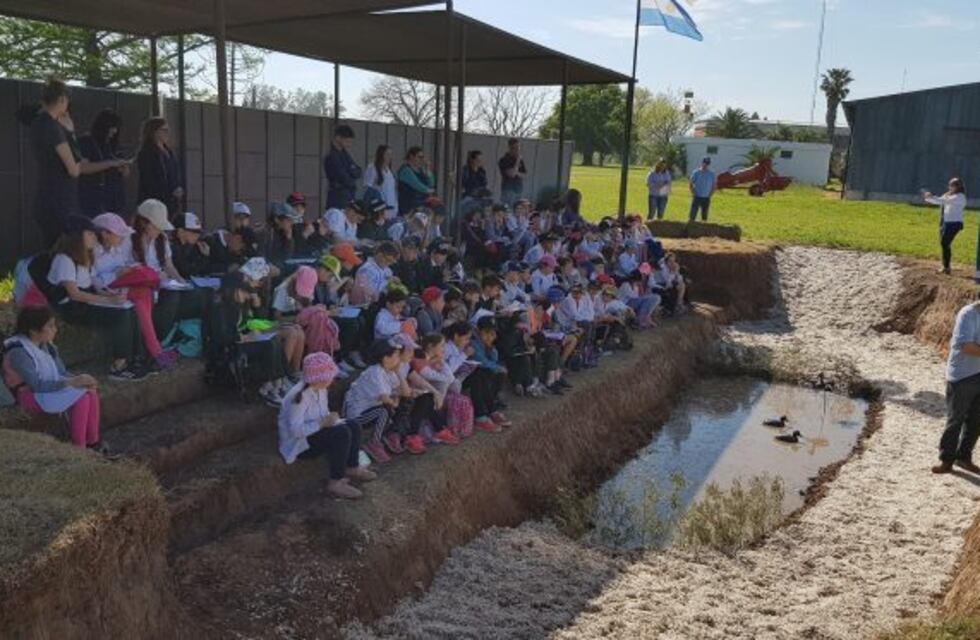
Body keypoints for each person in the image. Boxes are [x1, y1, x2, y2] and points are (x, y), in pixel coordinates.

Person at [43, 215, 144, 380]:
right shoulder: (64, 259)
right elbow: (74, 294)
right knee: (121, 315)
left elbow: (90, 284)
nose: (94, 238)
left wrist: (108, 294)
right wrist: (108, 301)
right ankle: (119, 365)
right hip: (72, 307)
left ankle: (137, 357)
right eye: (89, 234)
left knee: (130, 308)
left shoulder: (86, 257)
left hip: (85, 301)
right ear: (77, 236)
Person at [28, 78, 127, 246]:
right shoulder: (54, 128)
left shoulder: (37, 124)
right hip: (59, 200)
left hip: (45, 195)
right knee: (65, 251)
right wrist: (71, 132)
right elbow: (74, 169)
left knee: (51, 247)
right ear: (62, 99)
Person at [2, 306, 107, 452]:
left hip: (46, 389)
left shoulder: (46, 346)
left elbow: (61, 372)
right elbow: (37, 385)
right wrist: (71, 382)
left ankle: (93, 442)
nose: (55, 329)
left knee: (89, 391)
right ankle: (79, 449)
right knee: (81, 398)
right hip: (28, 394)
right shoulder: (19, 352)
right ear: (33, 330)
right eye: (50, 326)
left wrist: (80, 379)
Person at [278, 352, 377, 500]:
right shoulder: (299, 397)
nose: (332, 378)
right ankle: (335, 482)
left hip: (315, 431)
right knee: (341, 433)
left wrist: (331, 418)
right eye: (329, 375)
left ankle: (352, 467)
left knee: (353, 425)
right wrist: (323, 423)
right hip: (300, 443)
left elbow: (322, 414)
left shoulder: (320, 389)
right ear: (319, 377)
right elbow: (296, 431)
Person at [934, 301, 980, 475]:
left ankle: (964, 457)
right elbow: (967, 347)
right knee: (956, 419)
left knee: (976, 420)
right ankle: (946, 460)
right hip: (962, 375)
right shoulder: (968, 314)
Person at [344, 338, 403, 463]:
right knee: (384, 411)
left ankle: (390, 436)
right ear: (386, 358)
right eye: (396, 355)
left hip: (370, 410)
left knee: (396, 405)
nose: (399, 359)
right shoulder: (375, 372)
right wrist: (395, 402)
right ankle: (374, 443)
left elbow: (402, 391)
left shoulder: (388, 372)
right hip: (356, 417)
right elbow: (386, 399)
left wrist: (399, 374)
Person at [78, 108, 129, 218]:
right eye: (112, 128)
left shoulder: (114, 145)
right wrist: (110, 163)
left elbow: (125, 174)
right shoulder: (87, 141)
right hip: (94, 199)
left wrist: (123, 169)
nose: (114, 131)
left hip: (116, 200)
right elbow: (83, 168)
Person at [137, 117, 182, 215]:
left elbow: (174, 173)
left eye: (168, 130)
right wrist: (169, 191)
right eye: (164, 130)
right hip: (154, 203)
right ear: (154, 131)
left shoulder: (169, 152)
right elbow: (149, 180)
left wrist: (178, 188)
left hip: (171, 202)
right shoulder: (147, 152)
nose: (167, 133)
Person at [924, 178, 968, 275]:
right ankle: (945, 266)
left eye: (952, 185)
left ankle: (946, 267)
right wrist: (928, 198)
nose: (949, 187)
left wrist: (931, 197)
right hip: (946, 223)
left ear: (958, 187)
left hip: (955, 223)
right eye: (949, 185)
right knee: (944, 244)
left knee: (944, 243)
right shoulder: (949, 195)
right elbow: (939, 201)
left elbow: (943, 200)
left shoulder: (960, 197)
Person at [323, 125, 362, 210]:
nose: (349, 144)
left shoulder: (345, 154)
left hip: (348, 197)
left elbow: (358, 172)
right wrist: (351, 170)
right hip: (337, 198)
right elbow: (344, 178)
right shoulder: (331, 157)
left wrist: (350, 171)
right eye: (347, 141)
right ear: (338, 138)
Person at [397, 146, 435, 214]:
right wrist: (430, 191)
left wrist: (428, 170)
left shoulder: (421, 170)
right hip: (409, 208)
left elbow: (431, 184)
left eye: (423, 157)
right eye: (419, 157)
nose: (422, 160)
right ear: (411, 156)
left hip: (421, 206)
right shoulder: (406, 170)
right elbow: (418, 185)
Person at [363, 145, 398, 219]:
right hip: (379, 207)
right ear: (381, 155)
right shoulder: (372, 167)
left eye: (391, 154)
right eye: (387, 154)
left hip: (391, 207)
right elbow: (368, 188)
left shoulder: (389, 171)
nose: (390, 157)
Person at [498, 137, 527, 206]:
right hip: (508, 189)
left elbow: (524, 175)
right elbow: (511, 174)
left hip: (518, 189)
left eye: (518, 147)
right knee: (508, 209)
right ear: (510, 148)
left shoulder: (520, 160)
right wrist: (517, 162)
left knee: (517, 208)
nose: (517, 150)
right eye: (515, 147)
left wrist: (516, 172)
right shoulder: (504, 160)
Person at [689, 157, 716, 222]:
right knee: (692, 215)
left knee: (704, 216)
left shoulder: (712, 174)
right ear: (702, 163)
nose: (705, 165)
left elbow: (714, 185)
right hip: (697, 196)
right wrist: (693, 192)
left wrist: (711, 194)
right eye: (705, 163)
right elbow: (691, 183)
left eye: (707, 163)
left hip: (706, 197)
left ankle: (703, 229)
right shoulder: (696, 172)